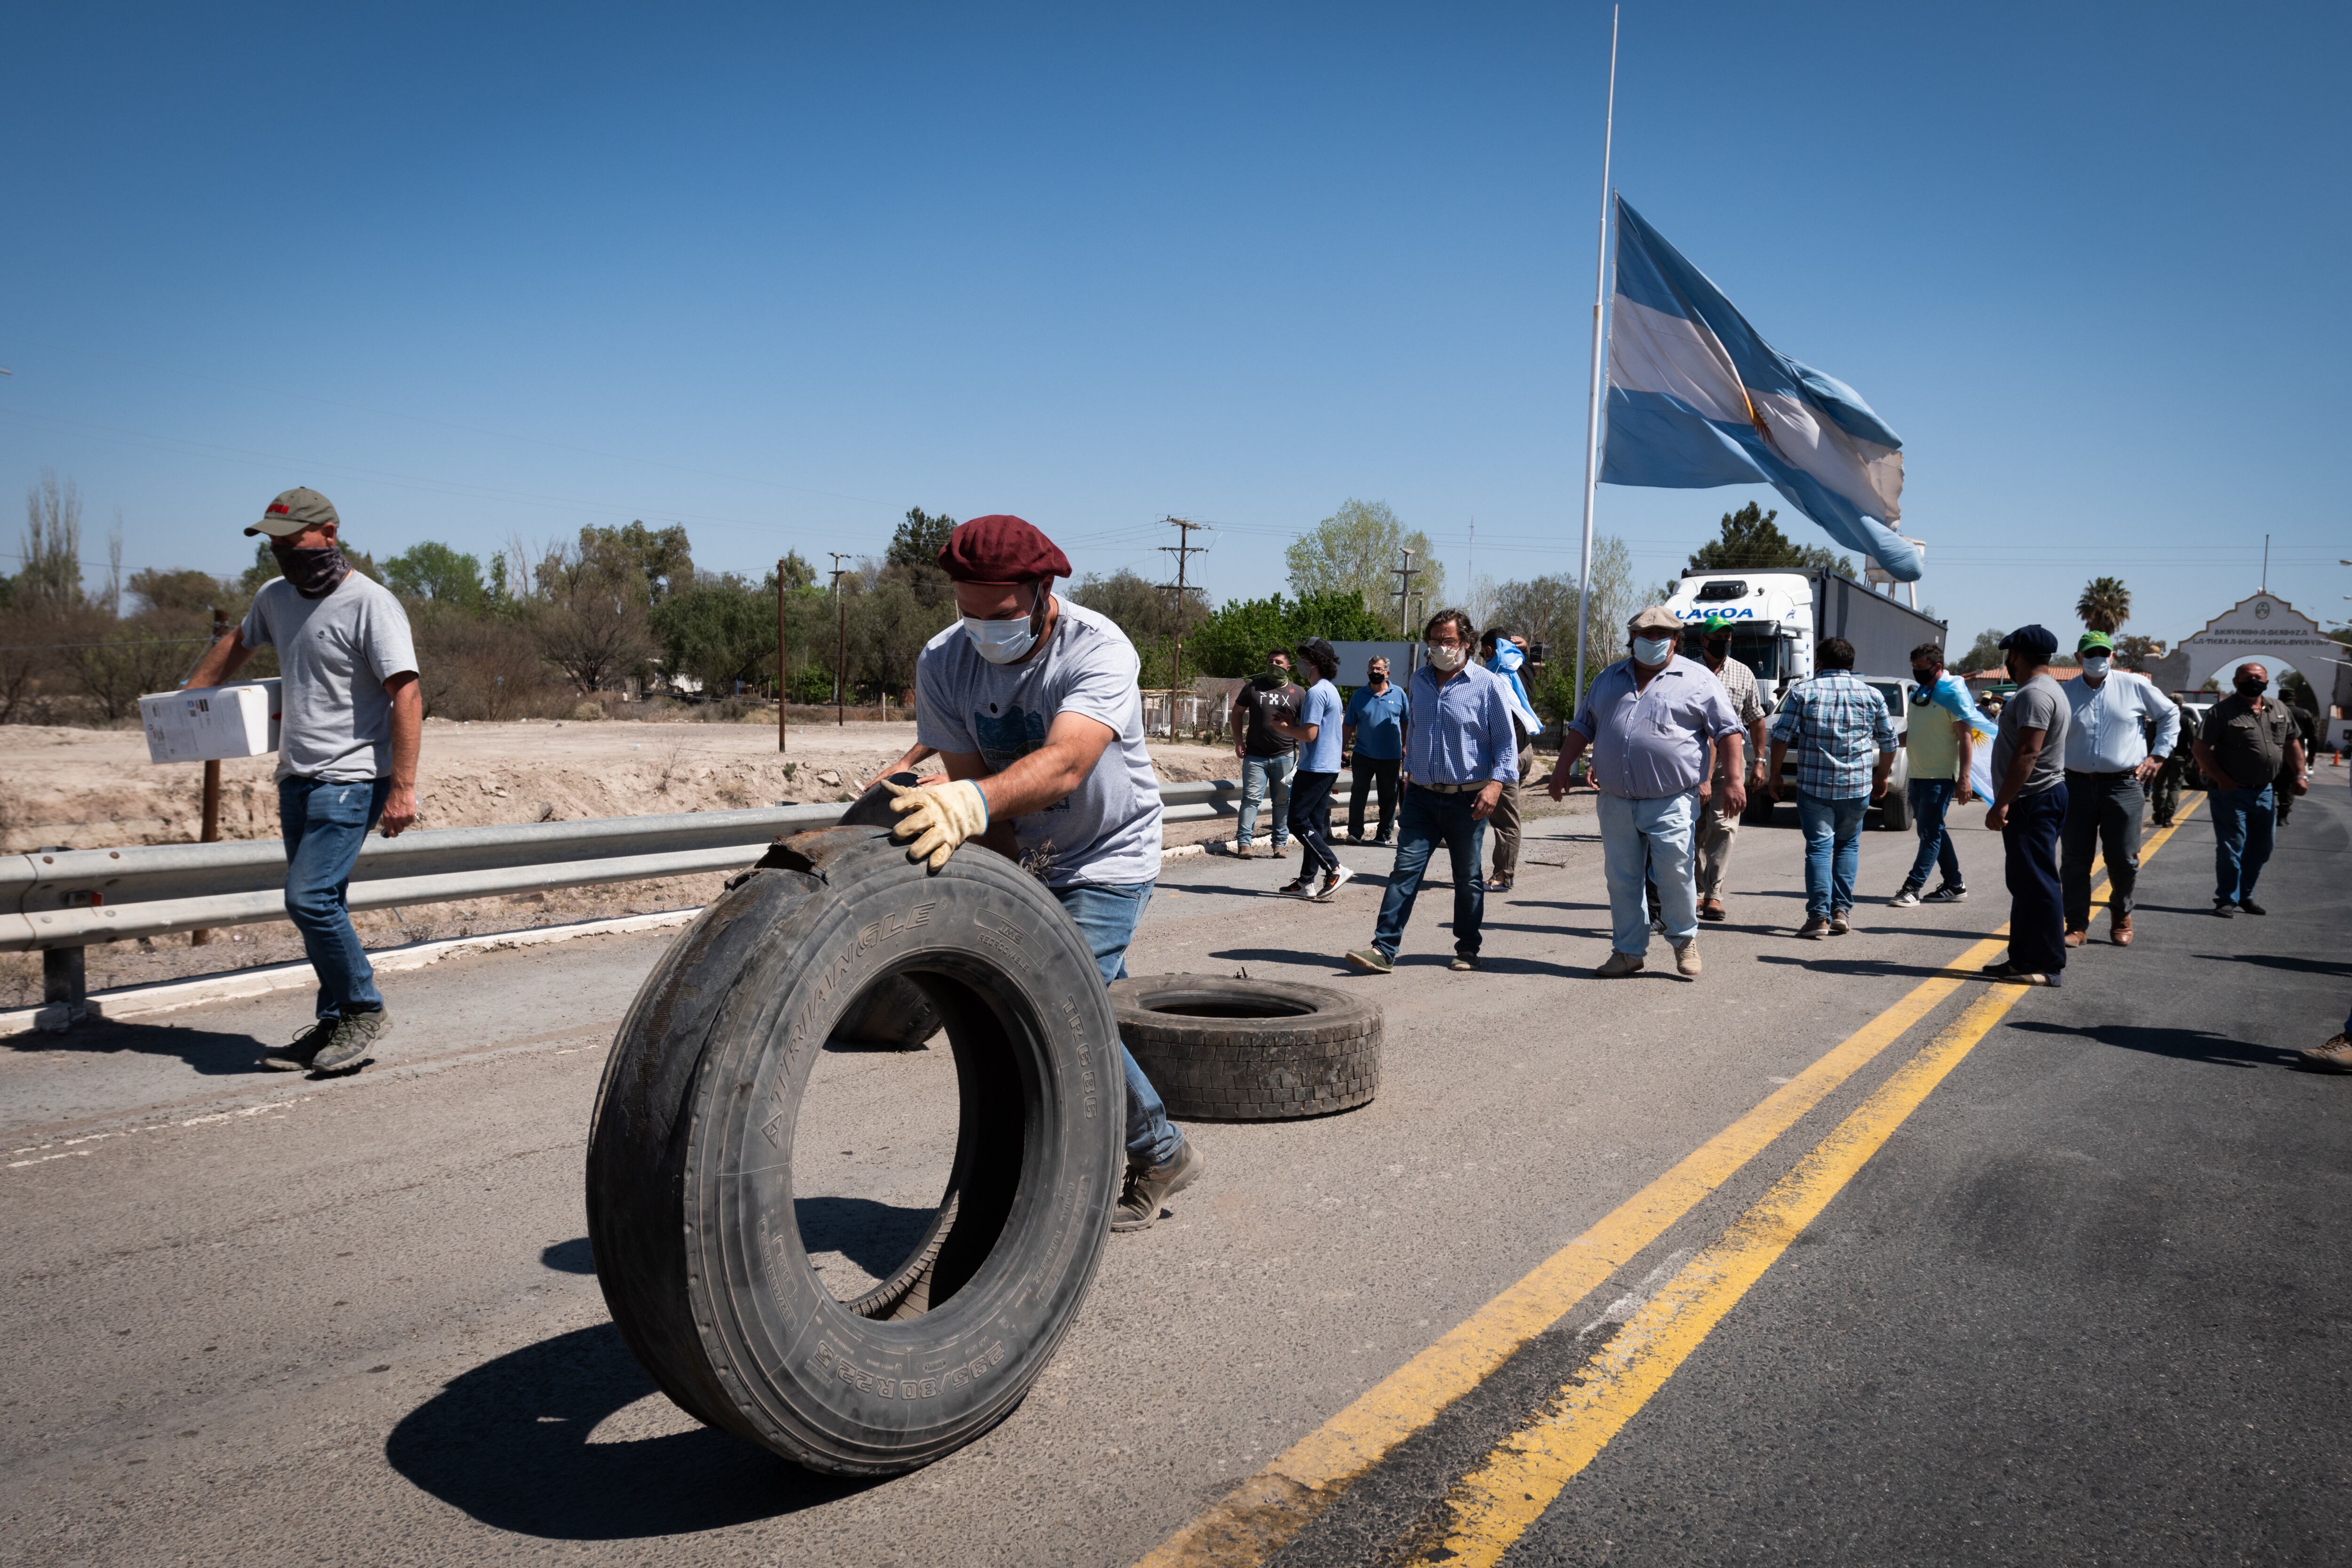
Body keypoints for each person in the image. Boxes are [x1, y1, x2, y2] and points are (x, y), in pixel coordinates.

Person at [890, 513, 1203, 1232]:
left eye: (998, 614)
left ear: (1040, 591)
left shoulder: (1097, 649)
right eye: (967, 611)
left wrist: (967, 800)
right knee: (1082, 1011)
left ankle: (1156, 1152)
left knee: (1049, 1008)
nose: (982, 629)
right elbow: (981, 804)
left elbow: (1066, 762)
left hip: (1108, 851)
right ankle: (1145, 1142)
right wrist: (1002, 890)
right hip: (1029, 853)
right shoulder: (944, 661)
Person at [183, 487, 420, 1075]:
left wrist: (403, 789)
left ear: (330, 535)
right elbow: (237, 643)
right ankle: (335, 1023)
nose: (283, 554)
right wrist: (185, 702)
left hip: (355, 776)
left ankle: (364, 1008)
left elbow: (408, 696)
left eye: (294, 542)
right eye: (275, 545)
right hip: (297, 778)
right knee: (324, 904)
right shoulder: (274, 598)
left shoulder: (372, 604)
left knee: (307, 898)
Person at [1546, 605, 1744, 979]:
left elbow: (1729, 731)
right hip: (1616, 799)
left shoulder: (1698, 679)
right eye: (1644, 634)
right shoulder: (1608, 679)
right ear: (1632, 638)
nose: (1652, 641)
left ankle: (1685, 941)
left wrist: (1734, 780)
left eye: (1661, 635)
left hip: (1671, 799)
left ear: (1676, 640)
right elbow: (1583, 725)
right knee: (1622, 878)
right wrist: (1561, 769)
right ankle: (1628, 951)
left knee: (1675, 874)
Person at [1344, 610, 1519, 974]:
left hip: (1467, 799)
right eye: (1435, 640)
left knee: (1468, 878)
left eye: (1449, 641)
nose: (1441, 647)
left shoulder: (1489, 685)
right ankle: (1384, 947)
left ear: (1466, 643)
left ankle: (1468, 948)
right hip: (1422, 796)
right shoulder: (1420, 682)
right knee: (1404, 871)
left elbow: (1506, 743)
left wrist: (1496, 785)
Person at [1765, 637, 1895, 939]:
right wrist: (1882, 776)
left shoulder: (1803, 692)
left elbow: (1782, 736)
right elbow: (1890, 741)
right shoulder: (1872, 694)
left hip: (1815, 786)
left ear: (1819, 663)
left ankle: (1818, 917)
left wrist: (1775, 775)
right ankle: (1841, 912)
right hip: (1857, 786)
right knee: (1848, 845)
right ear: (1851, 664)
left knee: (1820, 849)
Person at [2058, 630, 2179, 948]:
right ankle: (2076, 925)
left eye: (2104, 652)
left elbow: (2170, 714)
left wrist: (2158, 755)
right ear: (2078, 657)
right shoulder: (2065, 692)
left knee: (2124, 860)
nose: (2098, 658)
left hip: (2124, 785)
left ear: (2113, 657)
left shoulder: (2134, 686)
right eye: (2091, 652)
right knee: (2074, 860)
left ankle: (2121, 914)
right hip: (2076, 785)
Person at [1980, 625, 2072, 985]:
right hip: (2035, 797)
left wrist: (2001, 802)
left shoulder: (2035, 694)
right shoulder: (2046, 690)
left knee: (2039, 881)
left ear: (2015, 655)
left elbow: (2028, 752)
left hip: (2033, 798)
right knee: (2024, 882)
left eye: (2009, 654)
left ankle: (2049, 965)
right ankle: (2021, 958)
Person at [2191, 662, 2307, 916]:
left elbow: (2292, 743)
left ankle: (2246, 895)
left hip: (2265, 791)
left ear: (2267, 682)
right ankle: (2226, 899)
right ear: (2236, 682)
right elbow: (2200, 750)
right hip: (2231, 792)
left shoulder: (2279, 709)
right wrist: (2221, 779)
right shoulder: (2221, 712)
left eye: (2259, 677)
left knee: (2263, 847)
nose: (2253, 680)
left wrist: (2301, 774)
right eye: (2248, 677)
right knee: (2233, 847)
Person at [1890, 641, 1988, 908]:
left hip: (1941, 776)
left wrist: (1965, 779)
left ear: (1938, 667)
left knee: (1930, 832)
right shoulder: (1920, 694)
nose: (1917, 672)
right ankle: (1954, 885)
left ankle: (1912, 888)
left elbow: (1965, 737)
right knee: (1934, 830)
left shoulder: (1952, 694)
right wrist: (1882, 742)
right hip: (1919, 773)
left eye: (1922, 668)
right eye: (1914, 668)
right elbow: (1914, 733)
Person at [1685, 614, 1768, 922]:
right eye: (1717, 637)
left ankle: (1713, 894)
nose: (1724, 642)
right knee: (1692, 828)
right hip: (1690, 761)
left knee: (1724, 825)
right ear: (1704, 640)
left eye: (1727, 637)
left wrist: (1759, 761)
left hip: (1728, 761)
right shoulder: (1685, 670)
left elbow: (1756, 719)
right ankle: (1692, 890)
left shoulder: (1744, 674)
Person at [1267, 638, 1351, 900]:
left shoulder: (1315, 693)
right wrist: (1294, 722)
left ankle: (1335, 868)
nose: (1302, 664)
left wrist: (1285, 729)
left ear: (1314, 663)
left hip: (1314, 767)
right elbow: (1318, 728)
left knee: (1296, 821)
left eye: (1305, 659)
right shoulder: (1331, 690)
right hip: (1328, 767)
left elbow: (1310, 735)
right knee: (1312, 824)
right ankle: (1306, 881)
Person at [1478, 629, 1543, 893]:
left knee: (1505, 820)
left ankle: (1504, 876)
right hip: (1526, 751)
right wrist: (1526, 648)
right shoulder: (1522, 668)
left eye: (1483, 653)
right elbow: (1523, 656)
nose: (1482, 658)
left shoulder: (1497, 679)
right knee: (1498, 813)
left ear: (1491, 651)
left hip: (1508, 757)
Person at [1227, 650, 1300, 858]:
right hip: (1255, 757)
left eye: (1278, 662)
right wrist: (1239, 741)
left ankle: (1280, 845)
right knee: (1250, 800)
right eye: (1270, 661)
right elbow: (1237, 712)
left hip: (1285, 756)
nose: (1273, 665)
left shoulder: (1299, 693)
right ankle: (1244, 843)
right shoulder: (1253, 687)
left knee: (1282, 802)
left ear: (1288, 668)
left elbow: (1306, 726)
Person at [1342, 655, 1406, 844]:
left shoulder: (1399, 694)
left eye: (1379, 669)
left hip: (1391, 756)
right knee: (1358, 795)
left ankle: (1383, 835)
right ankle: (1355, 833)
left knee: (1388, 797)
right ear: (1367, 671)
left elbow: (1406, 722)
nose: (1375, 672)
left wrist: (1405, 746)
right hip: (1363, 755)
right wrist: (1342, 749)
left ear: (1387, 673)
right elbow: (1348, 725)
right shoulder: (1359, 696)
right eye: (1372, 669)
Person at [2149, 700, 2196, 827]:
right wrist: (2191, 759)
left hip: (2160, 758)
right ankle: (2167, 816)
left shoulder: (2158, 720)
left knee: (2158, 786)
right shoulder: (2186, 720)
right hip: (2178, 759)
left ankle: (2159, 813)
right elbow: (2194, 741)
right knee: (2174, 788)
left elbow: (2149, 740)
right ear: (2181, 705)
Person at [2274, 698, 2317, 826]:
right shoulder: (2304, 713)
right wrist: (2312, 755)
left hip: (2274, 754)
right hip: (2294, 754)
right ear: (2294, 699)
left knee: (2268, 783)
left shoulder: (2273, 710)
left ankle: (2265, 814)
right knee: (2288, 785)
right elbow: (2314, 736)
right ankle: (2283, 815)